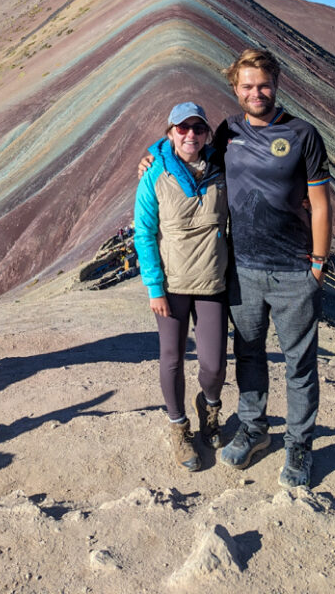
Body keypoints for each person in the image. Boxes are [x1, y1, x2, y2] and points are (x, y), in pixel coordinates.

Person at [139, 49, 332, 489]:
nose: (256, 93)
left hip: (293, 270)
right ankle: (253, 427)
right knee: (248, 356)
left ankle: (300, 445)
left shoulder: (303, 134)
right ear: (235, 89)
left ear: (277, 83)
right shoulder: (228, 133)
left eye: (263, 84)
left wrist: (319, 265)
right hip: (241, 273)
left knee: (299, 365)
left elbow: (321, 204)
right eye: (247, 86)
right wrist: (151, 155)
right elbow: (186, 153)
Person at [134, 101, 229, 472]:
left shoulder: (222, 168)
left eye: (198, 128)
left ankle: (209, 406)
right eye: (182, 128)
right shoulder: (154, 174)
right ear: (170, 132)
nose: (191, 134)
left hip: (212, 279)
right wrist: (154, 287)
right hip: (172, 285)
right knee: (172, 358)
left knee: (214, 365)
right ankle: (178, 426)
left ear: (207, 133)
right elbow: (144, 232)